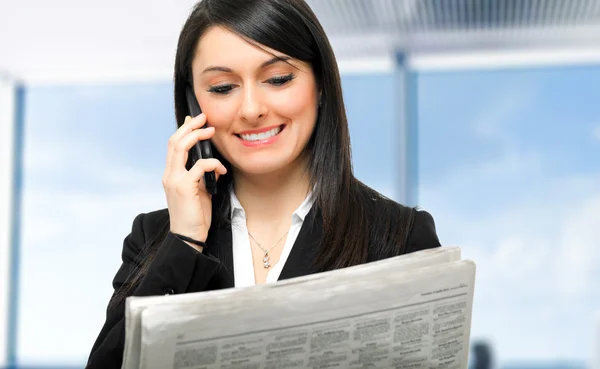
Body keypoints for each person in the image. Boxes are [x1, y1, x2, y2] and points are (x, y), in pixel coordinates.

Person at [86, 0, 441, 367]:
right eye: (223, 87)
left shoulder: (399, 237)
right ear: (194, 105)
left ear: (320, 85)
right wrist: (185, 243)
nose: (252, 109)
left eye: (278, 79)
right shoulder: (156, 236)